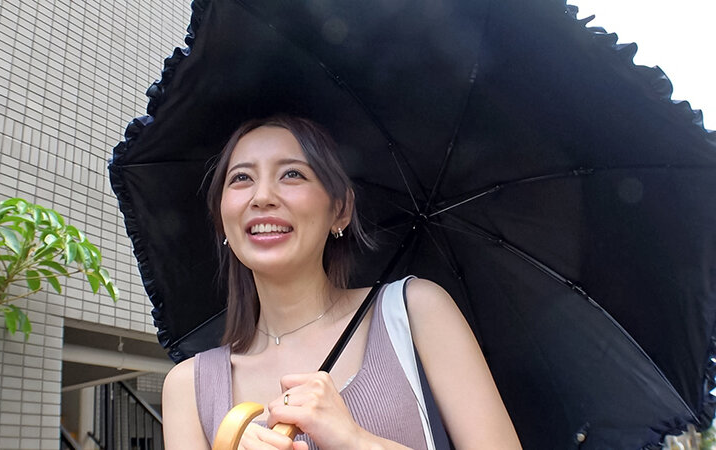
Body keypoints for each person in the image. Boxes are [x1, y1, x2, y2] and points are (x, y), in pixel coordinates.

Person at [162, 115, 521, 449]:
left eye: (292, 174)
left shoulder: (414, 312)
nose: (262, 197)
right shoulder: (188, 387)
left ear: (340, 209)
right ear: (221, 219)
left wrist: (355, 440)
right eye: (241, 178)